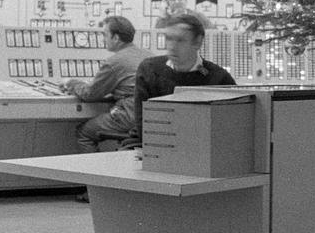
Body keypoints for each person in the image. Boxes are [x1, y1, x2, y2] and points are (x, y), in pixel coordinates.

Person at [131, 9, 238, 137]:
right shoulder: (149, 70)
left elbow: (229, 129)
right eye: (169, 39)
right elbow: (143, 125)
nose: (172, 46)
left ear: (197, 42)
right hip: (153, 143)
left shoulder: (219, 79)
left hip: (201, 148)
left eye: (180, 40)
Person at [66, 14, 145, 153]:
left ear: (115, 38)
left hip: (128, 115)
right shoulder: (148, 55)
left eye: (105, 35)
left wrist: (70, 82)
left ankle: (93, 173)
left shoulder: (114, 62)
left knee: (84, 133)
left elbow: (90, 94)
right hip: (148, 116)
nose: (103, 40)